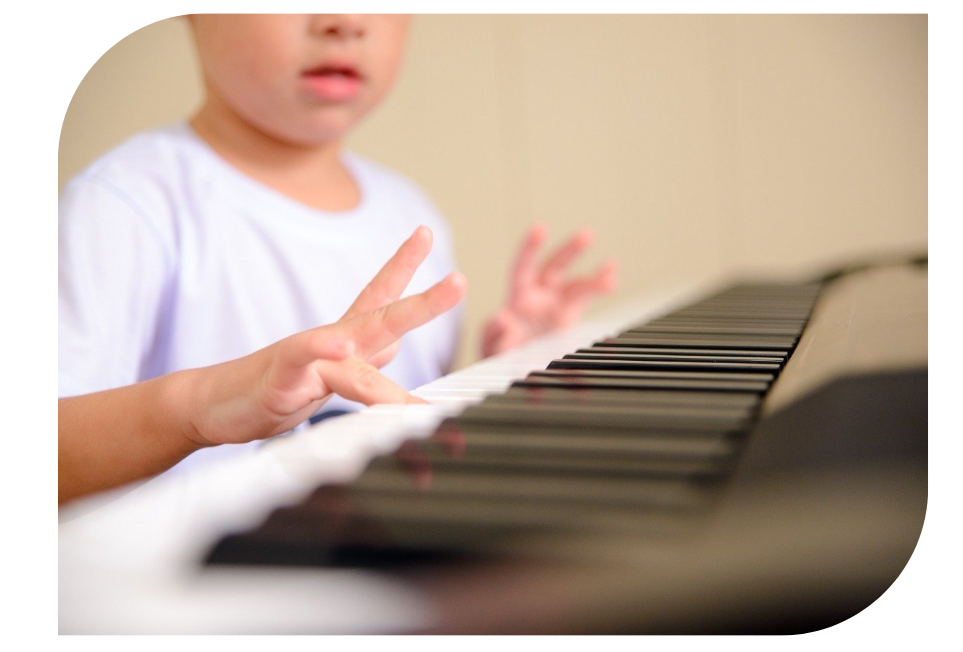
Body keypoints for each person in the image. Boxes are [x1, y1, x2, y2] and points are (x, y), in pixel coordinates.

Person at [59, 15, 616, 497]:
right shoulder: (127, 204)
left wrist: (504, 372)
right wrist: (201, 405)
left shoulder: (411, 214)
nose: (344, 20)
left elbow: (410, 426)